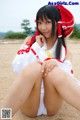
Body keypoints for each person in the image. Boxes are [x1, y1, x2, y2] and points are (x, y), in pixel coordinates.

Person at [0, 5, 80, 119]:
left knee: (53, 70)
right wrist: (37, 47)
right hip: (29, 99)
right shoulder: (30, 41)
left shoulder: (65, 51)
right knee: (35, 68)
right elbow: (18, 68)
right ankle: (4, 116)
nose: (43, 27)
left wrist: (56, 63)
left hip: (51, 103)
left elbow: (67, 81)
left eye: (47, 22)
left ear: (57, 23)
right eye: (39, 22)